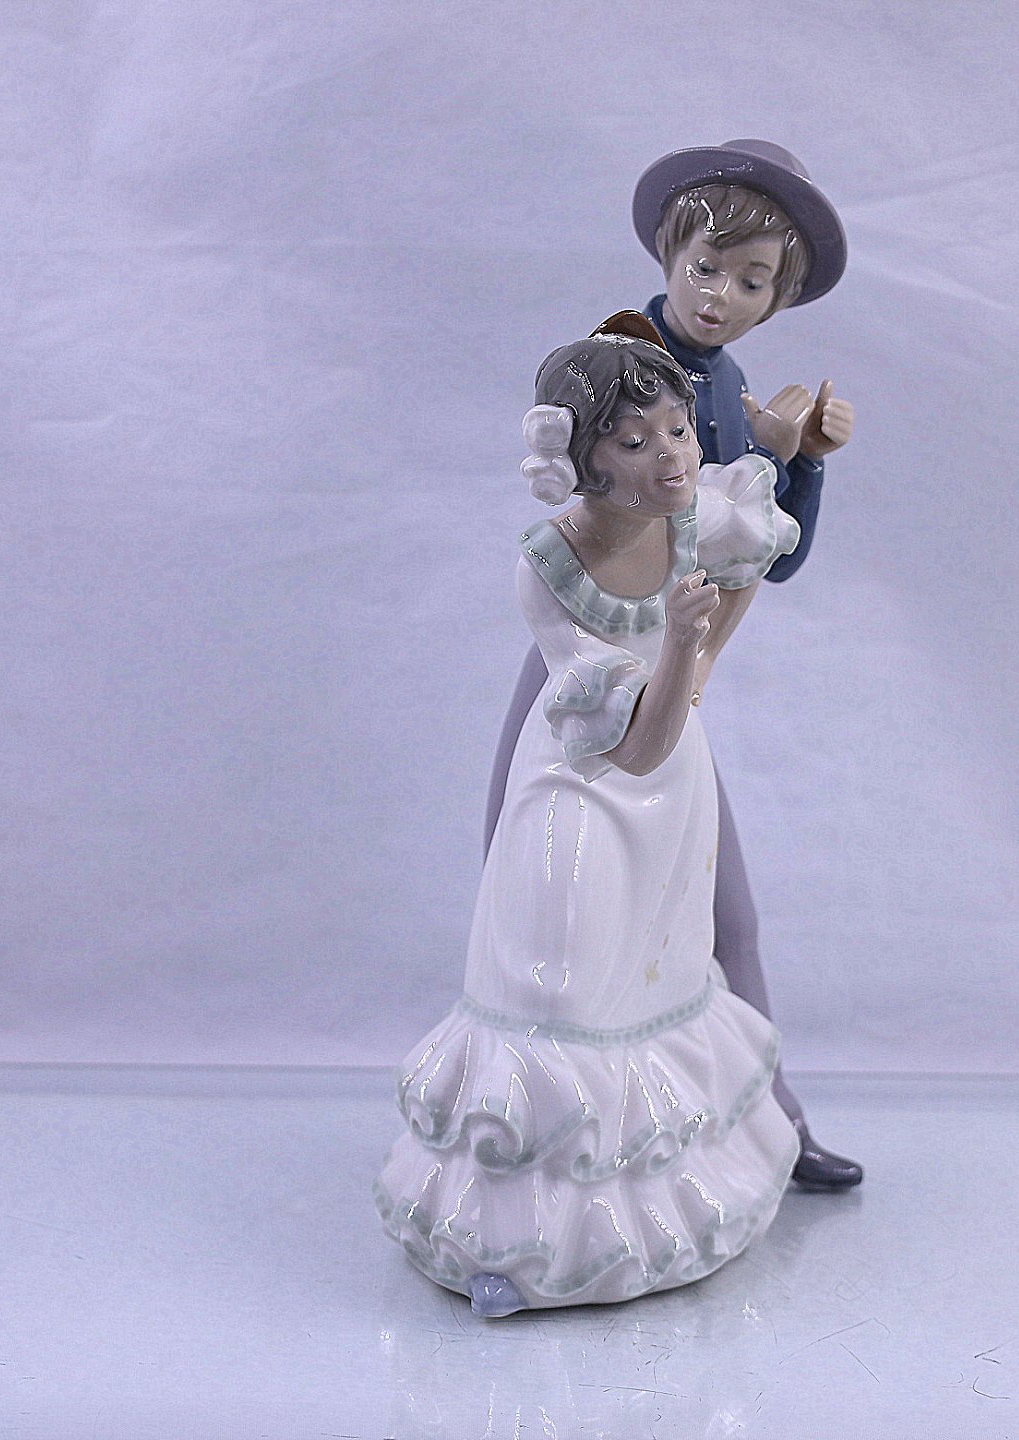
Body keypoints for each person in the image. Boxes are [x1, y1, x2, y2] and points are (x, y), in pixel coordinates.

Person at [376, 315, 803, 1316]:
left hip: (671, 786)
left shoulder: (696, 514)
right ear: (584, 462)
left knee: (644, 985)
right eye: (636, 441)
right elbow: (627, 745)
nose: (673, 456)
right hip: (587, 773)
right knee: (554, 986)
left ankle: (638, 1225)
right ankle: (507, 1236)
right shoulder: (549, 567)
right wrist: (683, 647)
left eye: (679, 430)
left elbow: (747, 560)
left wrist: (701, 647)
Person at [485, 141, 863, 1190]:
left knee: (722, 913)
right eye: (707, 267)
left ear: (777, 300)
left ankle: (769, 1121)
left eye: (752, 282)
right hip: (587, 660)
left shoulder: (728, 386)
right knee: (533, 889)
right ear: (668, 253)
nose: (720, 297)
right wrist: (760, 459)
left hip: (676, 663)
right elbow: (626, 515)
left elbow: (760, 552)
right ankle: (535, 1146)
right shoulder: (626, 360)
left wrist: (799, 463)